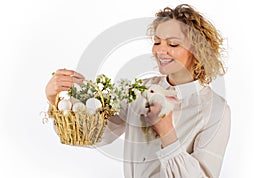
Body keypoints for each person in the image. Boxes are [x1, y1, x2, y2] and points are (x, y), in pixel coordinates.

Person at [45, 4, 230, 178]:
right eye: (157, 42)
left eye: (173, 44)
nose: (161, 51)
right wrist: (60, 101)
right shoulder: (138, 90)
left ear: (197, 50)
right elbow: (93, 136)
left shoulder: (216, 110)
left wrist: (167, 133)